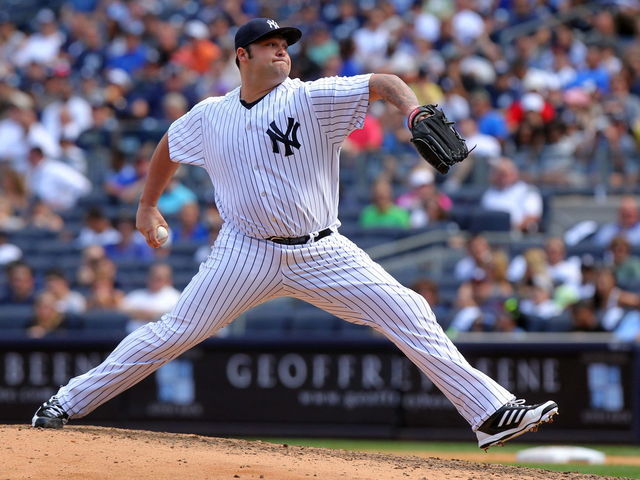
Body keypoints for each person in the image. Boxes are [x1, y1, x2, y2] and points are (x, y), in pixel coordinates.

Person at [32, 17, 557, 450]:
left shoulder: (311, 98)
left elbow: (382, 81)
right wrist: (147, 205)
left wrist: (412, 109)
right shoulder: (210, 115)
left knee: (410, 311)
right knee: (170, 334)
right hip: (245, 252)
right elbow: (170, 145)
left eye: (285, 45)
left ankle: (490, 414)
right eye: (270, 46)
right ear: (242, 56)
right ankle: (64, 404)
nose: (282, 53)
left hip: (322, 249)